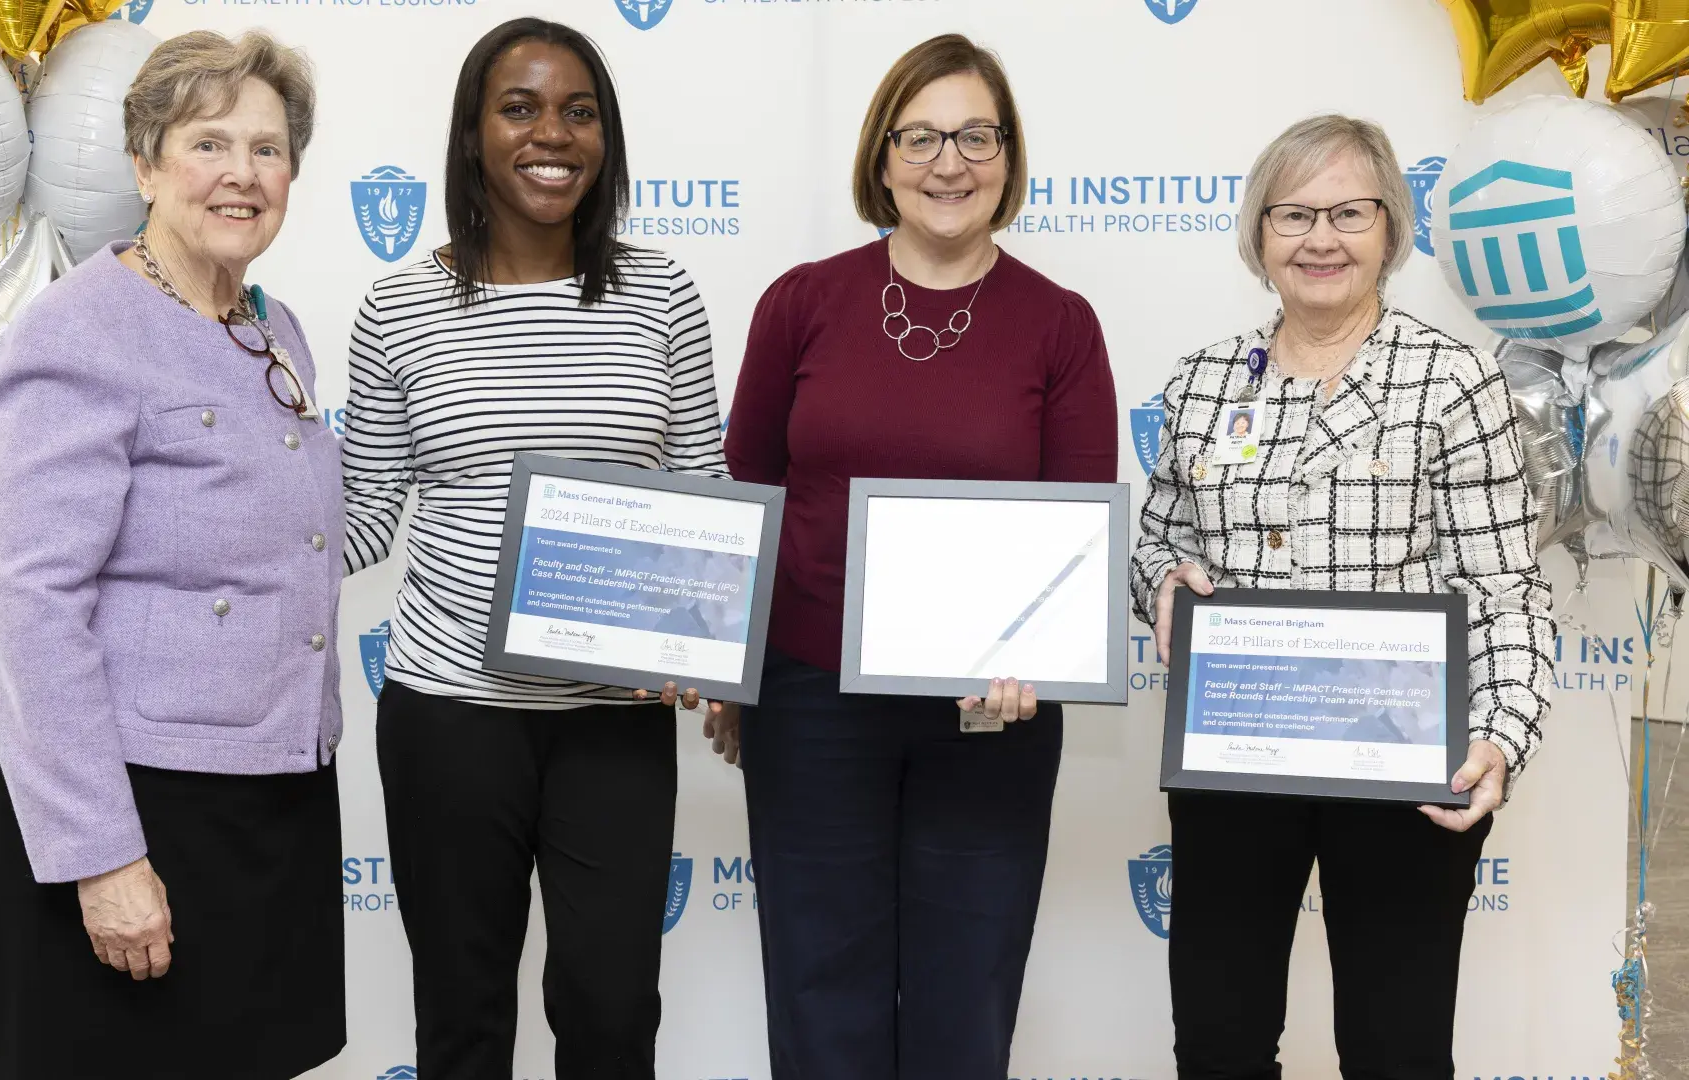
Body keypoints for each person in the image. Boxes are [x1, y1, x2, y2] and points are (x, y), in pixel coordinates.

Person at [720, 33, 1116, 1080]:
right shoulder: (801, 303)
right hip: (807, 702)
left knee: (965, 995)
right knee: (820, 989)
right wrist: (729, 670)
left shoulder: (1060, 326)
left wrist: (1045, 661)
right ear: (883, 157)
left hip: (988, 713)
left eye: (976, 135)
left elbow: (1078, 527)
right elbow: (752, 489)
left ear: (1008, 154)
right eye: (924, 136)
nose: (951, 162)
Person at [1131, 114, 1556, 1079]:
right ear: (1258, 235)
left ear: (1391, 230)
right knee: (1220, 1044)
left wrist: (1502, 732)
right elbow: (1159, 541)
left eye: (1349, 212)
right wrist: (1161, 579)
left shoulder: (1451, 383)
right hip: (1235, 756)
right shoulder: (1201, 383)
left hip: (1403, 763)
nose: (1320, 238)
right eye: (1294, 214)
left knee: (1394, 1049)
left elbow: (1504, 586)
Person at [340, 18, 727, 1079]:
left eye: (578, 110)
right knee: (461, 1021)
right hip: (449, 717)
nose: (550, 133)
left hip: (614, 723)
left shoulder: (662, 295)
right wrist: (216, 531)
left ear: (605, 137)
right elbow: (365, 511)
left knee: (611, 1016)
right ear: (473, 134)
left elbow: (704, 493)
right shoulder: (400, 305)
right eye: (519, 108)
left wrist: (713, 653)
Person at [0, 29, 344, 1080]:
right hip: (127, 799)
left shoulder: (276, 330)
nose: (242, 175)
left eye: (268, 150)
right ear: (143, 162)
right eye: (208, 143)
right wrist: (103, 858)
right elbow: (29, 604)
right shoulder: (75, 334)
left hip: (265, 792)